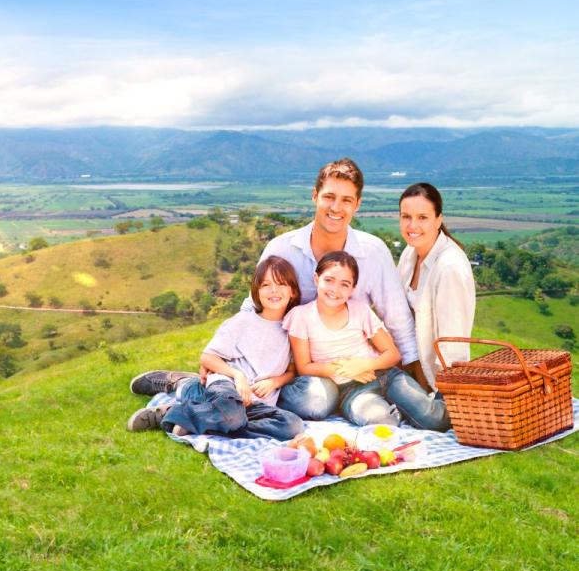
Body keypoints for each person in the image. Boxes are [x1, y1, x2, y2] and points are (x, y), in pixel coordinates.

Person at [244, 158, 419, 420]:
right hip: (294, 370)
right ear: (315, 196)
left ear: (357, 205)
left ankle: (352, 400)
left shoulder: (373, 252)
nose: (336, 208)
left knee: (330, 399)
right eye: (329, 197)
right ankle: (189, 386)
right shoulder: (281, 249)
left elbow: (397, 319)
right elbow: (252, 309)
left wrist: (419, 382)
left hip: (357, 370)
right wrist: (229, 365)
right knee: (315, 402)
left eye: (347, 200)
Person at [127, 256, 304, 442]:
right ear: (257, 290)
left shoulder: (292, 328)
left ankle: (199, 414)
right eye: (266, 284)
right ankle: (172, 413)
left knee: (292, 425)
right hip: (227, 388)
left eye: (281, 284)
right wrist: (237, 375)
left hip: (255, 403)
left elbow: (292, 370)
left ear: (292, 291)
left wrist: (274, 382)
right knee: (231, 413)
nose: (274, 290)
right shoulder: (243, 321)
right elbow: (208, 357)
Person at [284, 250, 444, 428]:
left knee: (434, 420)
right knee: (383, 422)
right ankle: (398, 411)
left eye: (344, 284)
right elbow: (304, 367)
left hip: (387, 376)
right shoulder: (301, 316)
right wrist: (348, 370)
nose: (335, 290)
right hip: (352, 391)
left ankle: (457, 399)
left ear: (353, 289)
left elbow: (392, 354)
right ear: (316, 279)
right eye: (329, 280)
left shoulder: (360, 310)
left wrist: (364, 365)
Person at [397, 182, 476, 395]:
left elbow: (453, 343)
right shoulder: (409, 254)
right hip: (409, 369)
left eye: (422, 217)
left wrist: (446, 396)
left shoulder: (450, 267)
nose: (412, 226)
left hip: (436, 383)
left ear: (438, 220)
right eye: (406, 217)